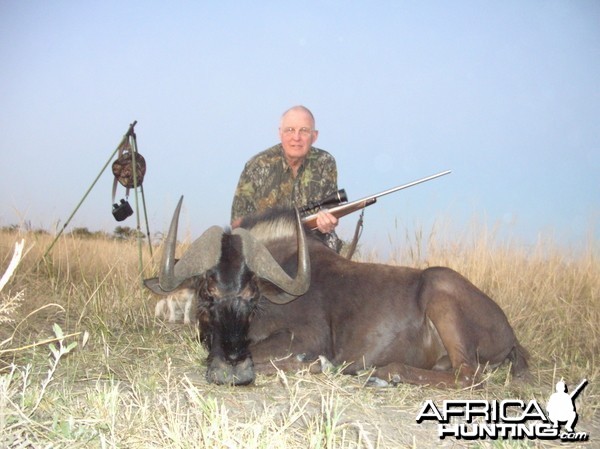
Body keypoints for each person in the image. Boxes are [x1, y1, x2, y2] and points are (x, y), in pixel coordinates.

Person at [231, 105, 342, 252]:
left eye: (304, 130)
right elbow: (237, 222)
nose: (296, 137)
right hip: (267, 245)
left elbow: (331, 208)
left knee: (331, 242)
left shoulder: (325, 162)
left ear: (314, 136)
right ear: (280, 134)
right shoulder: (256, 165)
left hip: (310, 239)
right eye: (290, 130)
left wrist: (328, 222)